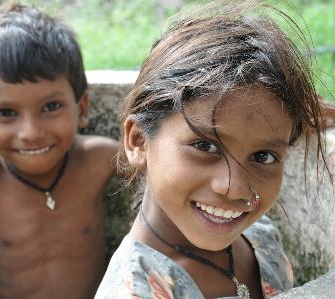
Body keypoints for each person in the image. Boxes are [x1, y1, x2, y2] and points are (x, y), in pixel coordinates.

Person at [95, 1, 329, 299]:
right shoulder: (134, 291)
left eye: (263, 156)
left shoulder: (258, 238)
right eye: (205, 146)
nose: (234, 188)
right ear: (139, 140)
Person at [0, 3, 117, 299]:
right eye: (6, 113)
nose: (31, 132)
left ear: (81, 109)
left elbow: (165, 176)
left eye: (51, 107)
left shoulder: (98, 160)